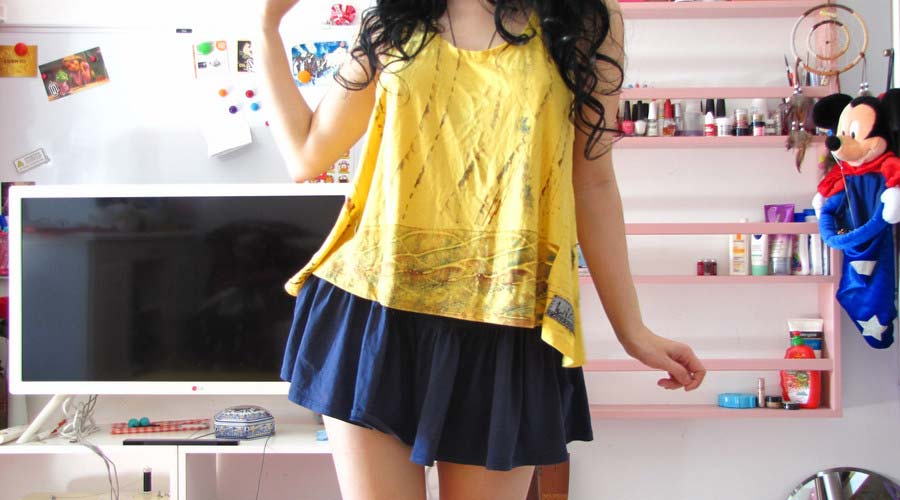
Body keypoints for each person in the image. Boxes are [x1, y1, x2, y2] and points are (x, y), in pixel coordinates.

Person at [258, 1, 707, 499]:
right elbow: (306, 154)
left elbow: (592, 180)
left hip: (506, 324)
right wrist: (265, 26)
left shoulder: (583, 17)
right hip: (376, 313)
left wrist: (632, 330)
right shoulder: (393, 17)